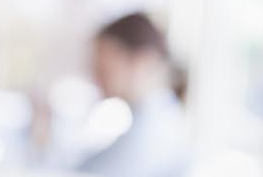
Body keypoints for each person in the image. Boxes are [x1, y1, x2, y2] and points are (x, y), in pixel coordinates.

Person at [75, 12, 191, 177]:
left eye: (103, 65)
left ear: (141, 61)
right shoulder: (158, 118)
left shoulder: (152, 130)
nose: (95, 74)